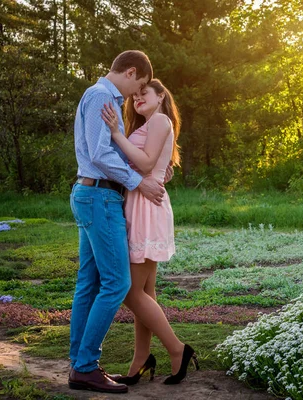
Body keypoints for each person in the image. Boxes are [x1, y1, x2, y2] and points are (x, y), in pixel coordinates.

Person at [68, 50, 173, 394]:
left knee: (89, 283)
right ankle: (85, 366)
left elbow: (119, 152)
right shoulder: (103, 96)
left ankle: (79, 365)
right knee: (116, 285)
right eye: (139, 85)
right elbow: (100, 154)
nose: (136, 94)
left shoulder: (101, 96)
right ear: (131, 73)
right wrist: (137, 181)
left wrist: (153, 173)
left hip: (94, 194)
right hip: (100, 196)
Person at [100, 78, 198, 386]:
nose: (138, 98)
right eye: (136, 95)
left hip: (146, 208)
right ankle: (140, 361)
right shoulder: (150, 123)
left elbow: (143, 164)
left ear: (161, 96)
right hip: (141, 203)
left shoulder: (160, 120)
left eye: (145, 93)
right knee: (145, 292)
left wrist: (116, 132)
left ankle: (177, 349)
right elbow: (151, 167)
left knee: (130, 291)